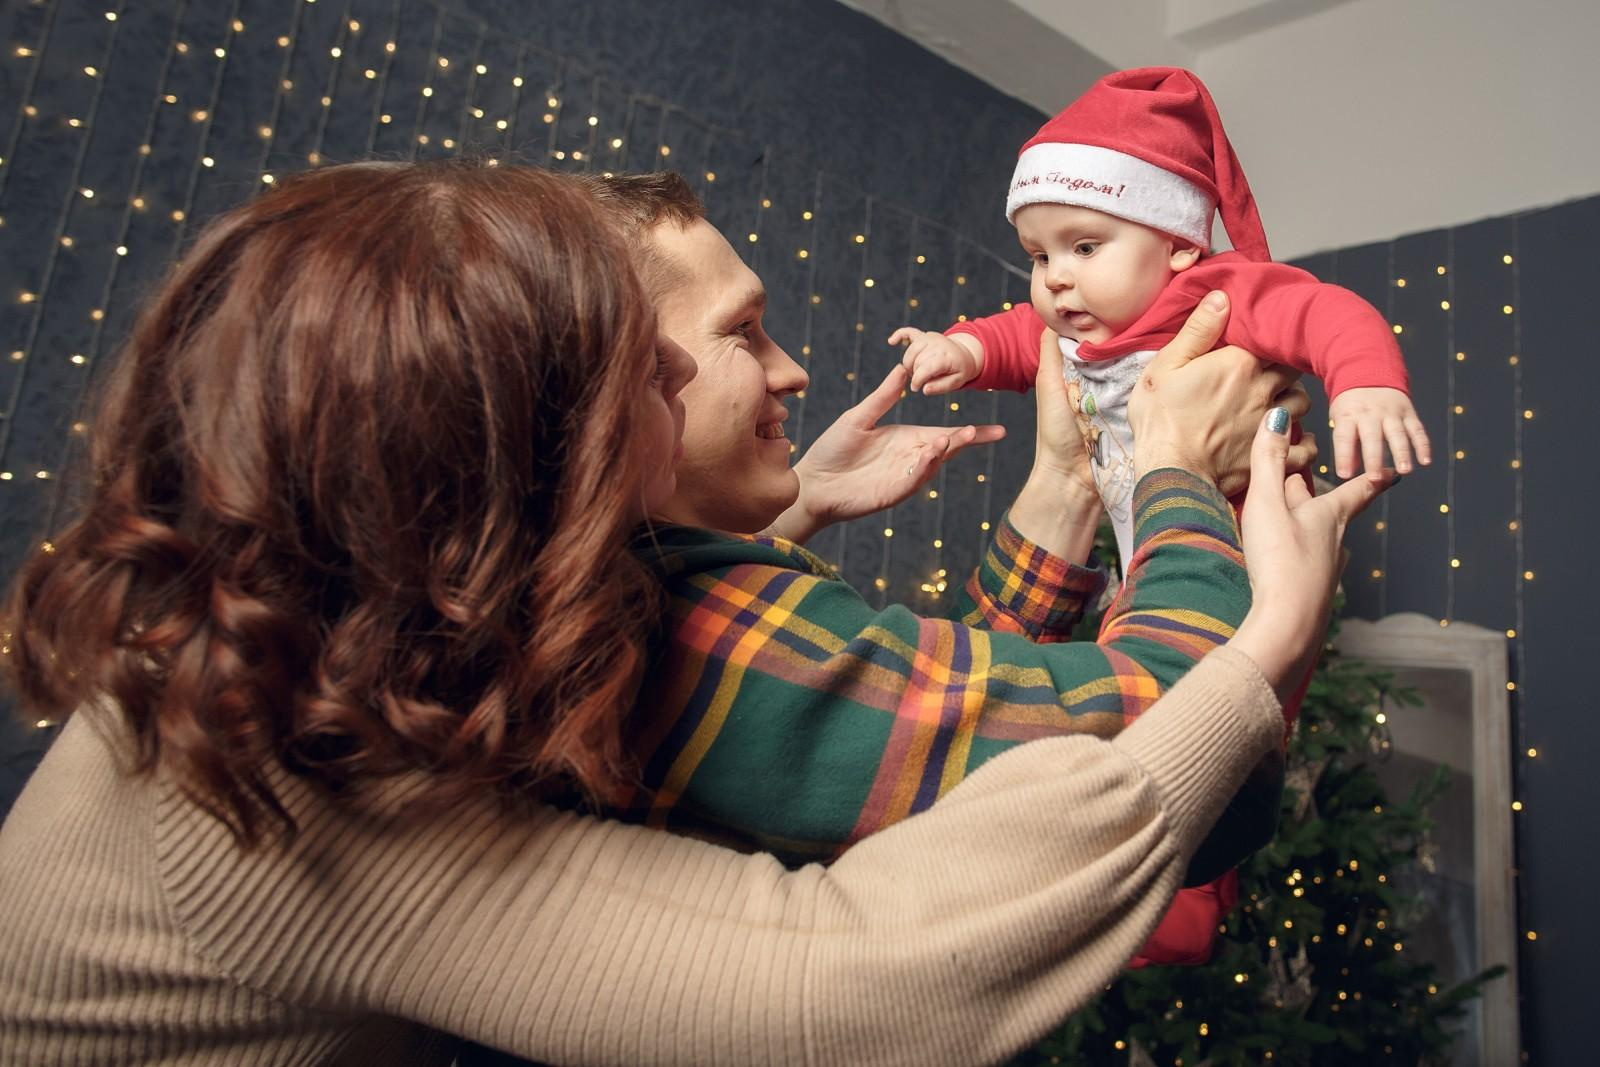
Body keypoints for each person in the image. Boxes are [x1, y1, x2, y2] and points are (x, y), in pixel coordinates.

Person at [0, 159, 1388, 1067]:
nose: (786, 369)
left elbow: (931, 730)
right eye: (711, 349)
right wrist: (1204, 526)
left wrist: (1056, 485)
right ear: (560, 427)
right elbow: (887, 961)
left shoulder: (378, 635)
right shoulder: (310, 782)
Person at [570, 173, 1317, 973]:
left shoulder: (640, 595)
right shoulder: (679, 623)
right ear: (623, 380)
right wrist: (1181, 468)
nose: (791, 371)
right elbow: (1169, 769)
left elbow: (949, 745)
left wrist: (1068, 480)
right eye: (743, 330)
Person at [889, 66, 1431, 573]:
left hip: (1252, 539)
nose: (1055, 277)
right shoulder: (1068, 328)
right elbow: (1007, 337)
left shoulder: (1216, 297)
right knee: (1149, 641)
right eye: (1040, 256)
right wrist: (960, 350)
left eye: (1083, 246)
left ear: (1177, 245)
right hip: (1147, 544)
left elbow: (1323, 310)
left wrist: (1365, 381)